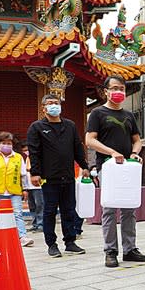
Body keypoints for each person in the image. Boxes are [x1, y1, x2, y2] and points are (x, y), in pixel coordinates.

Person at [85, 74, 145, 267]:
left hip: (128, 168)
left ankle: (130, 249)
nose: (118, 92)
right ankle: (110, 251)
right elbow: (90, 140)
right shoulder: (97, 113)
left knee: (129, 209)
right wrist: (112, 152)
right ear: (106, 91)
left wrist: (134, 153)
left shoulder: (129, 115)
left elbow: (137, 140)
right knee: (109, 209)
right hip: (108, 166)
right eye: (114, 88)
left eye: (121, 88)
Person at [27, 94, 89, 258]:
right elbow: (34, 152)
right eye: (50, 103)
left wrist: (84, 166)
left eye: (57, 103)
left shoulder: (70, 126)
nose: (54, 105)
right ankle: (51, 244)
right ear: (44, 108)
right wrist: (35, 173)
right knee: (49, 211)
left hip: (68, 176)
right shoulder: (37, 127)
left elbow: (78, 147)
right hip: (49, 177)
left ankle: (70, 242)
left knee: (69, 210)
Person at [0, 131, 33, 247]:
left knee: (17, 213)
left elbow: (23, 175)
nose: (7, 145)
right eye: (4, 143)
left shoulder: (18, 157)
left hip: (14, 191)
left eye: (9, 143)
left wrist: (25, 189)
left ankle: (22, 237)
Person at [20, 141, 44, 233]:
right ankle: (35, 223)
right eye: (24, 150)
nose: (26, 152)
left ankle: (41, 224)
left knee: (40, 205)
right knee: (32, 206)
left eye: (27, 150)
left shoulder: (39, 157)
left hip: (38, 186)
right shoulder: (26, 159)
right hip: (29, 186)